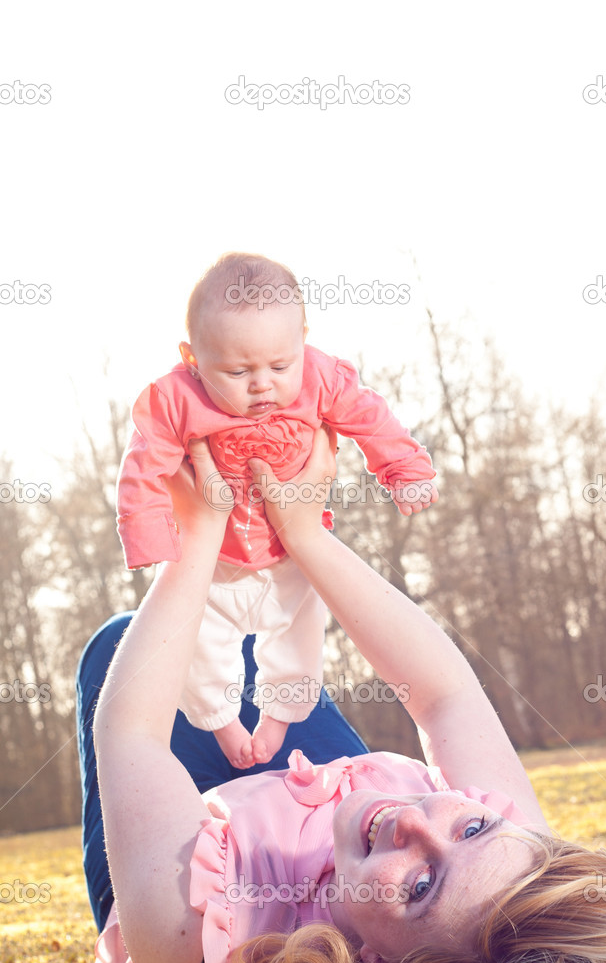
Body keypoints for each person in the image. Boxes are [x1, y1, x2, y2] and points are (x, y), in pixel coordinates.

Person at [80, 432, 606, 963]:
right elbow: (445, 696)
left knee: (116, 647)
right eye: (471, 828)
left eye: (421, 886)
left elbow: (132, 736)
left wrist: (199, 537)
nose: (417, 823)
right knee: (255, 665)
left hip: (219, 879)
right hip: (328, 802)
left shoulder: (213, 948)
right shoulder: (513, 864)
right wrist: (303, 532)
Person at [116, 252, 438, 769]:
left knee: (300, 633)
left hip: (289, 552)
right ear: (193, 357)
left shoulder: (322, 378)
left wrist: (405, 470)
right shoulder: (174, 398)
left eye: (279, 365)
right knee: (197, 641)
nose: (262, 383)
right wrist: (149, 537)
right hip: (215, 564)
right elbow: (143, 465)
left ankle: (280, 717)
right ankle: (221, 723)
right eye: (237, 370)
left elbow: (370, 418)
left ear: (303, 340)